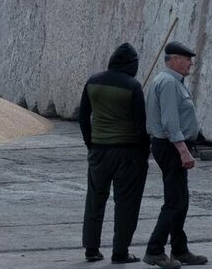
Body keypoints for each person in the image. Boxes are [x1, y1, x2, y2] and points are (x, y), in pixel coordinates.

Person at [77, 43, 149, 264]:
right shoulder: (133, 86)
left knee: (95, 200)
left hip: (99, 150)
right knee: (126, 203)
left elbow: (83, 117)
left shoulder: (93, 81)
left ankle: (91, 249)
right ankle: (120, 252)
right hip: (127, 153)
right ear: (131, 65)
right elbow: (141, 125)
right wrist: (143, 155)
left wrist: (91, 144)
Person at [143, 41, 205, 268]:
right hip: (171, 147)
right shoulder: (168, 83)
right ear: (175, 60)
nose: (190, 64)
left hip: (171, 146)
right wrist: (183, 151)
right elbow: (170, 121)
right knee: (174, 202)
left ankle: (180, 249)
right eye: (187, 59)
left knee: (181, 200)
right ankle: (154, 250)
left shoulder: (172, 81)